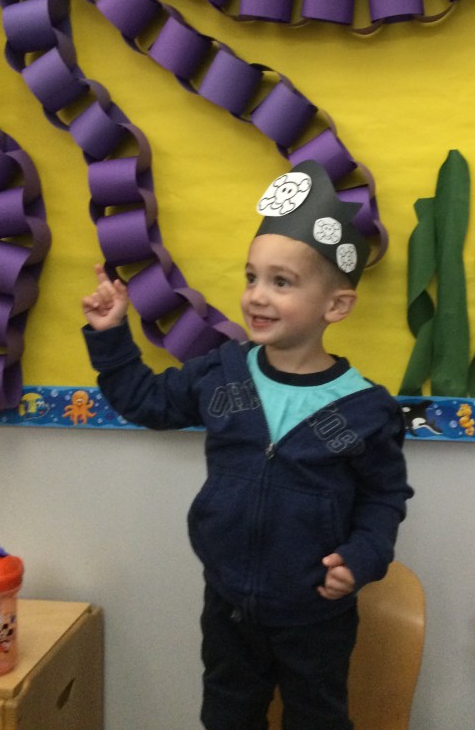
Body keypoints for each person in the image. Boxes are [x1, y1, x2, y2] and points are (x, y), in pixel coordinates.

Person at [82, 160, 412, 730]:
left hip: (316, 613)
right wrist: (111, 335)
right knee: (228, 716)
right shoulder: (222, 372)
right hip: (229, 605)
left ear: (335, 306)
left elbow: (384, 498)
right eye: (251, 277)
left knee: (317, 720)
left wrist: (363, 557)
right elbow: (148, 401)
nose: (257, 296)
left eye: (281, 282)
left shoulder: (365, 408)